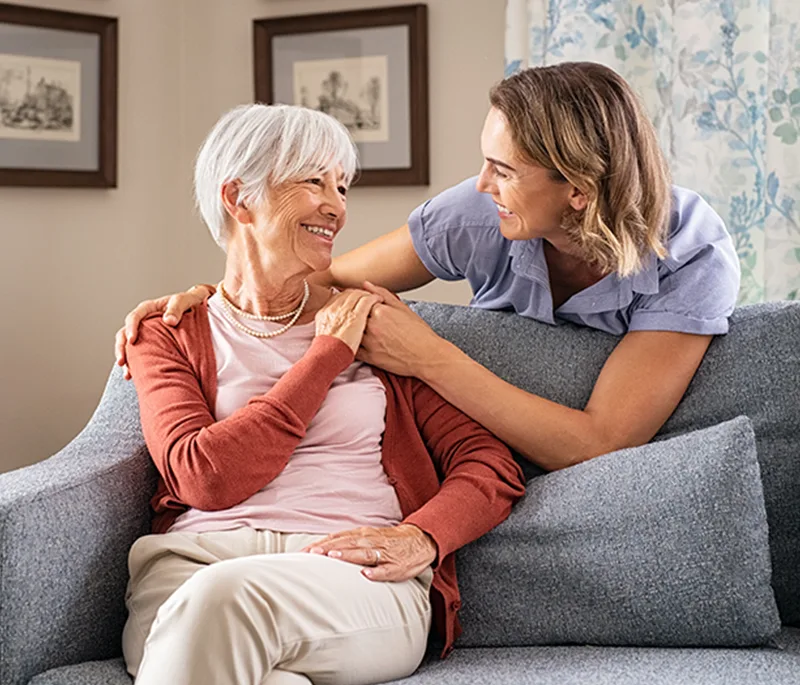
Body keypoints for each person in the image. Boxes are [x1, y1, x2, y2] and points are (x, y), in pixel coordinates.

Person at [116, 61, 741, 471]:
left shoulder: (690, 253)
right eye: (484, 160)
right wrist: (212, 297)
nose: (480, 182)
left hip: (592, 473)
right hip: (476, 452)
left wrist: (427, 355)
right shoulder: (476, 214)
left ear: (577, 189)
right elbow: (319, 280)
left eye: (504, 170)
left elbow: (602, 443)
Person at [121, 103, 525, 685]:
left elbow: (489, 464)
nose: (336, 206)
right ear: (238, 199)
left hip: (348, 574)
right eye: (313, 181)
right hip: (192, 565)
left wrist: (422, 537)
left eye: (341, 185)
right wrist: (326, 357)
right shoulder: (167, 332)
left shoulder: (378, 325)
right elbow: (204, 478)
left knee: (224, 602)